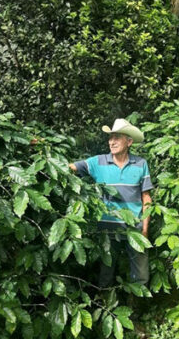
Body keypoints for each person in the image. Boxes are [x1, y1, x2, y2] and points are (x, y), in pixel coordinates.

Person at [68, 118, 154, 286]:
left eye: (117, 138)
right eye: (110, 138)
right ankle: (105, 305)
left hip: (134, 229)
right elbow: (68, 168)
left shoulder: (140, 164)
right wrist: (45, 150)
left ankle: (136, 306)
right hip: (107, 230)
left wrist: (145, 229)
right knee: (106, 275)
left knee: (141, 274)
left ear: (129, 142)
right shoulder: (97, 162)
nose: (112, 142)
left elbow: (146, 198)